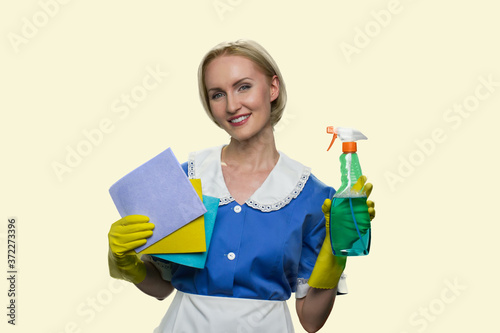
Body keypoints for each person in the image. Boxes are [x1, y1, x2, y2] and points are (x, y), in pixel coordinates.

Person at [107, 39, 375, 332]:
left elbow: (311, 320)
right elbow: (161, 287)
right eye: (217, 94)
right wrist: (127, 265)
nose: (232, 105)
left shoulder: (313, 198)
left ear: (272, 88)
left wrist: (336, 254)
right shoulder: (186, 180)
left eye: (243, 86)